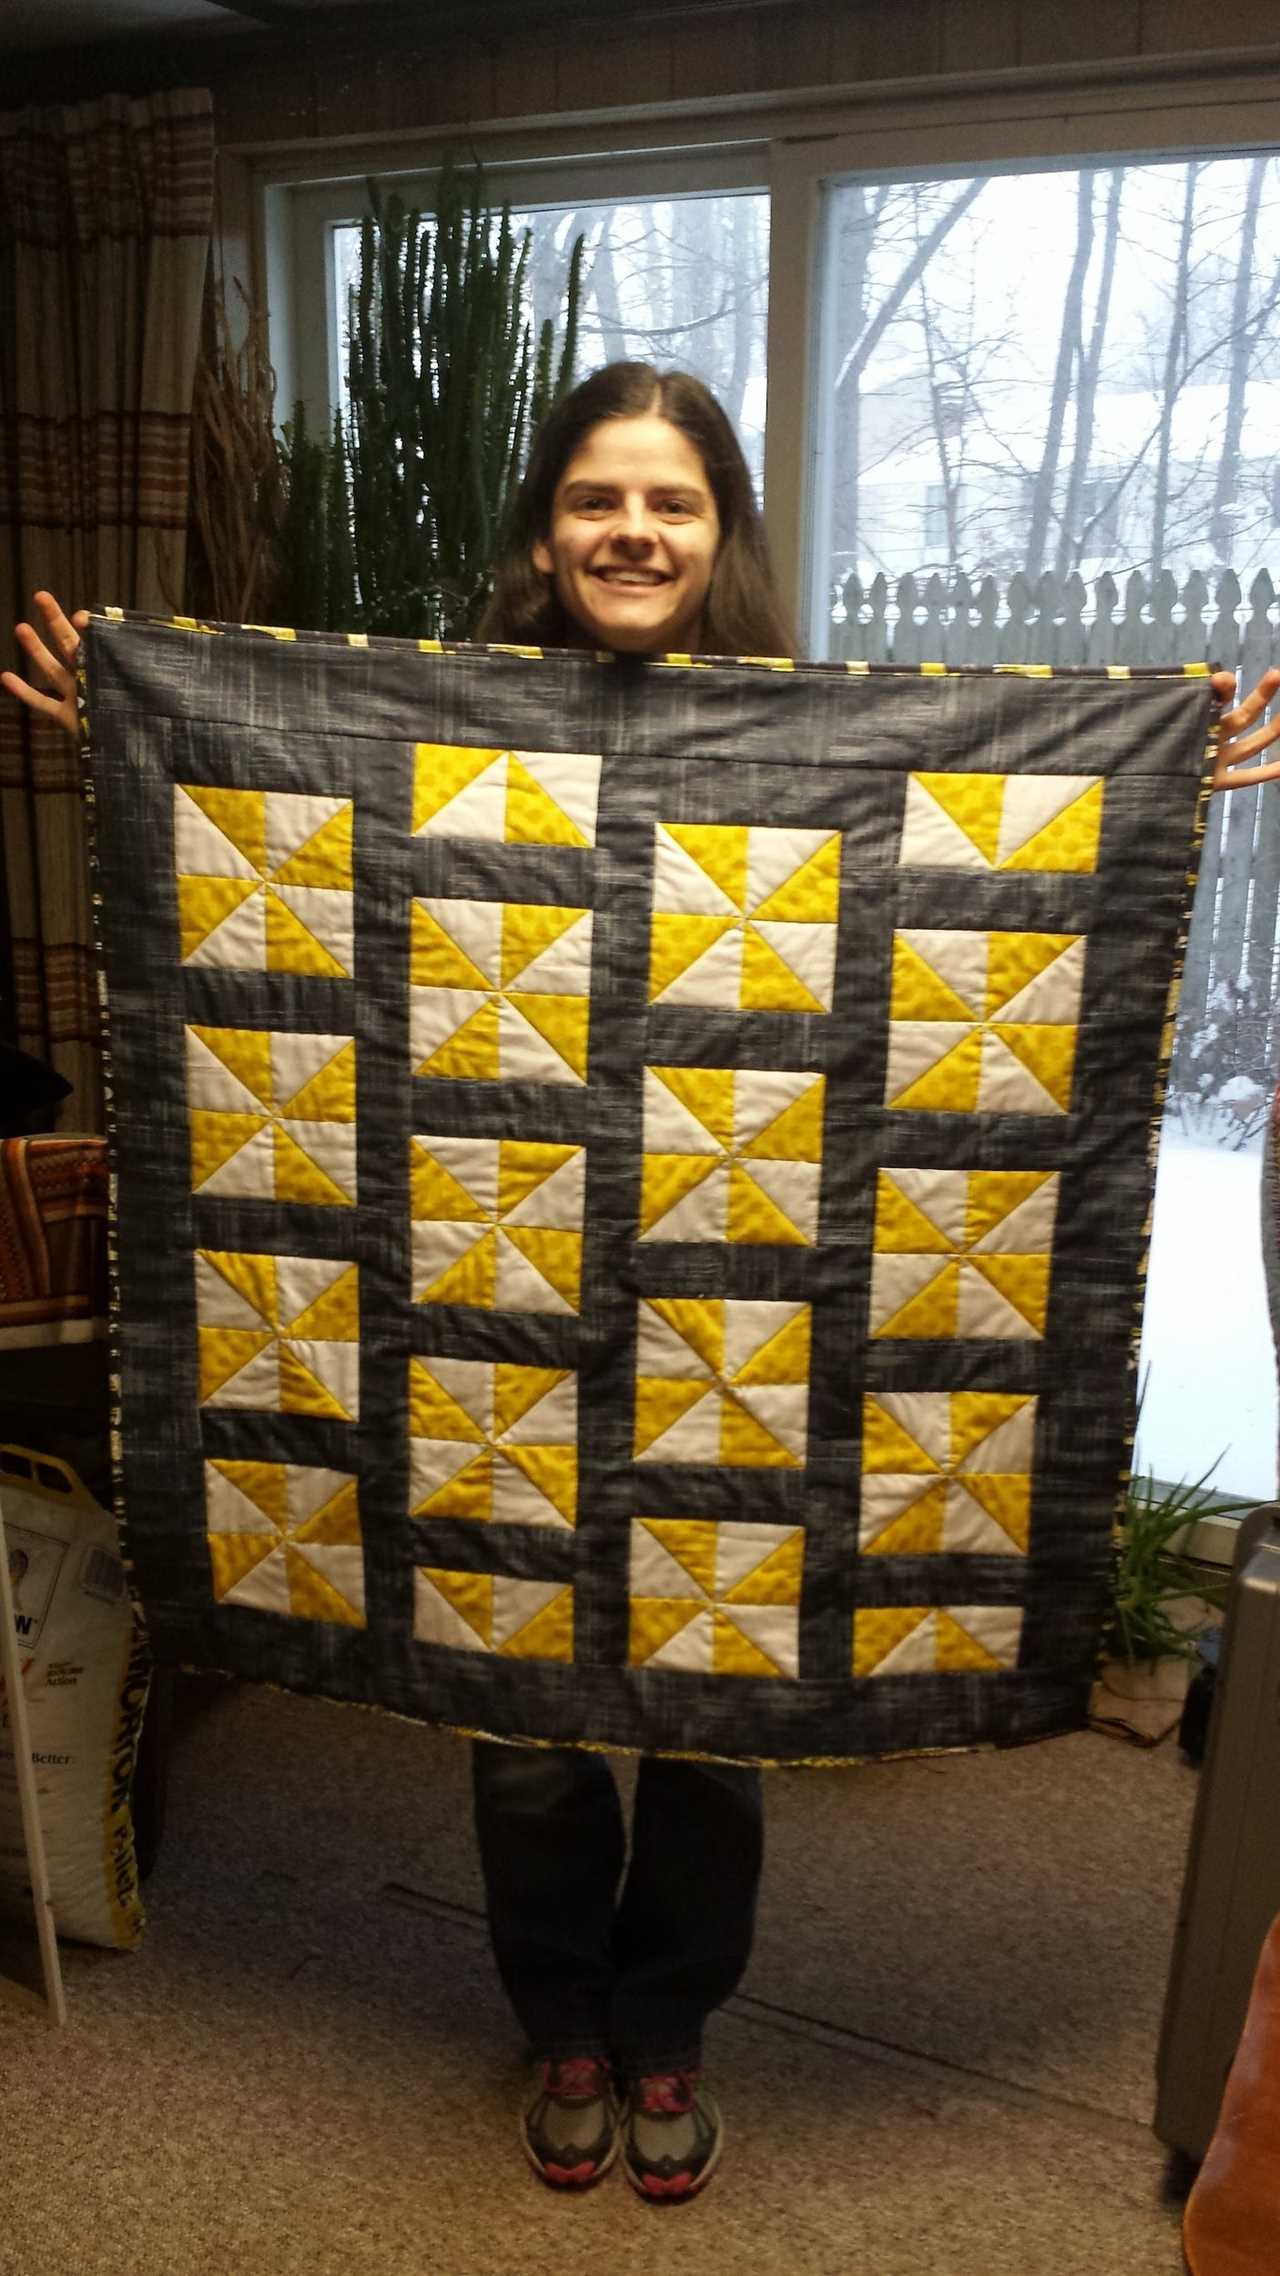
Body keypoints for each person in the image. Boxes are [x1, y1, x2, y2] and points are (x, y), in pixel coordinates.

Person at [9, 363, 1280, 2207]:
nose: (635, 532)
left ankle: (670, 2018)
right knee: (518, 1709)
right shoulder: (439, 726)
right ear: (548, 525)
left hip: (741, 1321)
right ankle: (565, 2017)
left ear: (720, 528)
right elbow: (286, 841)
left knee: (711, 1708)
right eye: (601, 498)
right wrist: (121, 722)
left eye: (673, 503)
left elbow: (1009, 872)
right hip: (489, 1310)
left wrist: (1174, 763)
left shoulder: (815, 737)